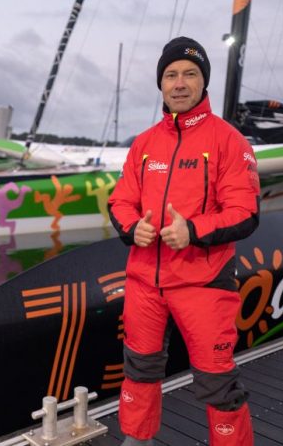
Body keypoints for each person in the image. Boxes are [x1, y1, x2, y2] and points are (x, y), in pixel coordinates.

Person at [107, 36, 260, 446]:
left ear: (203, 82)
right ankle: (137, 440)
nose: (179, 83)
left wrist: (192, 231)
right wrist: (131, 226)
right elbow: (120, 200)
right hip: (144, 283)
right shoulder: (143, 144)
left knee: (217, 382)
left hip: (203, 283)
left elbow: (245, 213)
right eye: (171, 75)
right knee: (139, 369)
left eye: (189, 74)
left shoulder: (229, 141)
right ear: (160, 84)